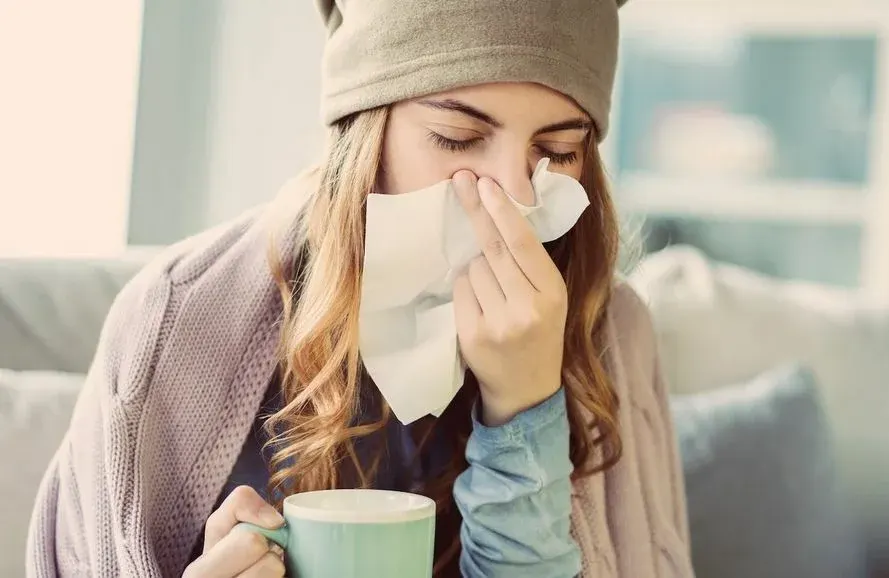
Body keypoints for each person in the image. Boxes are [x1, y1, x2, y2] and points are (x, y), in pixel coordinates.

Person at [26, 0, 695, 576]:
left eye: (558, 151)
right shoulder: (175, 319)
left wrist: (525, 413)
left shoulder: (612, 332)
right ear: (363, 129)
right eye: (458, 137)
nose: (514, 197)